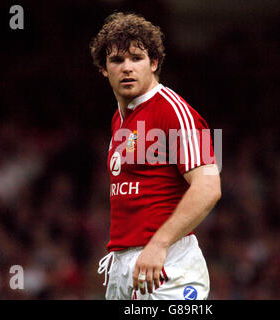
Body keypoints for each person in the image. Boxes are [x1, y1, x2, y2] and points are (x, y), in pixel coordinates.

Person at [91, 12, 221, 300]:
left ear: (154, 63)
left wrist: (159, 244)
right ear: (104, 69)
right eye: (117, 60)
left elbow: (209, 186)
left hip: (168, 266)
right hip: (125, 267)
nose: (127, 68)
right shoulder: (119, 119)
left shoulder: (172, 110)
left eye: (136, 58)